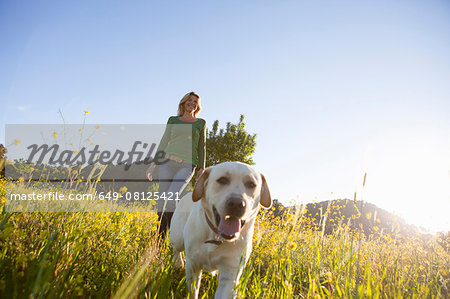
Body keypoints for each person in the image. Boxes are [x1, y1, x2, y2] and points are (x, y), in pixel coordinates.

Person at [146, 91, 206, 238]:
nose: (192, 103)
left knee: (172, 196)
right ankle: (160, 238)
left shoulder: (200, 123)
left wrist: (202, 167)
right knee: (162, 200)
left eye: (195, 102)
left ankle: (174, 235)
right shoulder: (173, 120)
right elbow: (164, 140)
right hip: (167, 162)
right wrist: (154, 163)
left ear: (197, 106)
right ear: (184, 103)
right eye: (189, 100)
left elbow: (202, 146)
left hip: (187, 165)